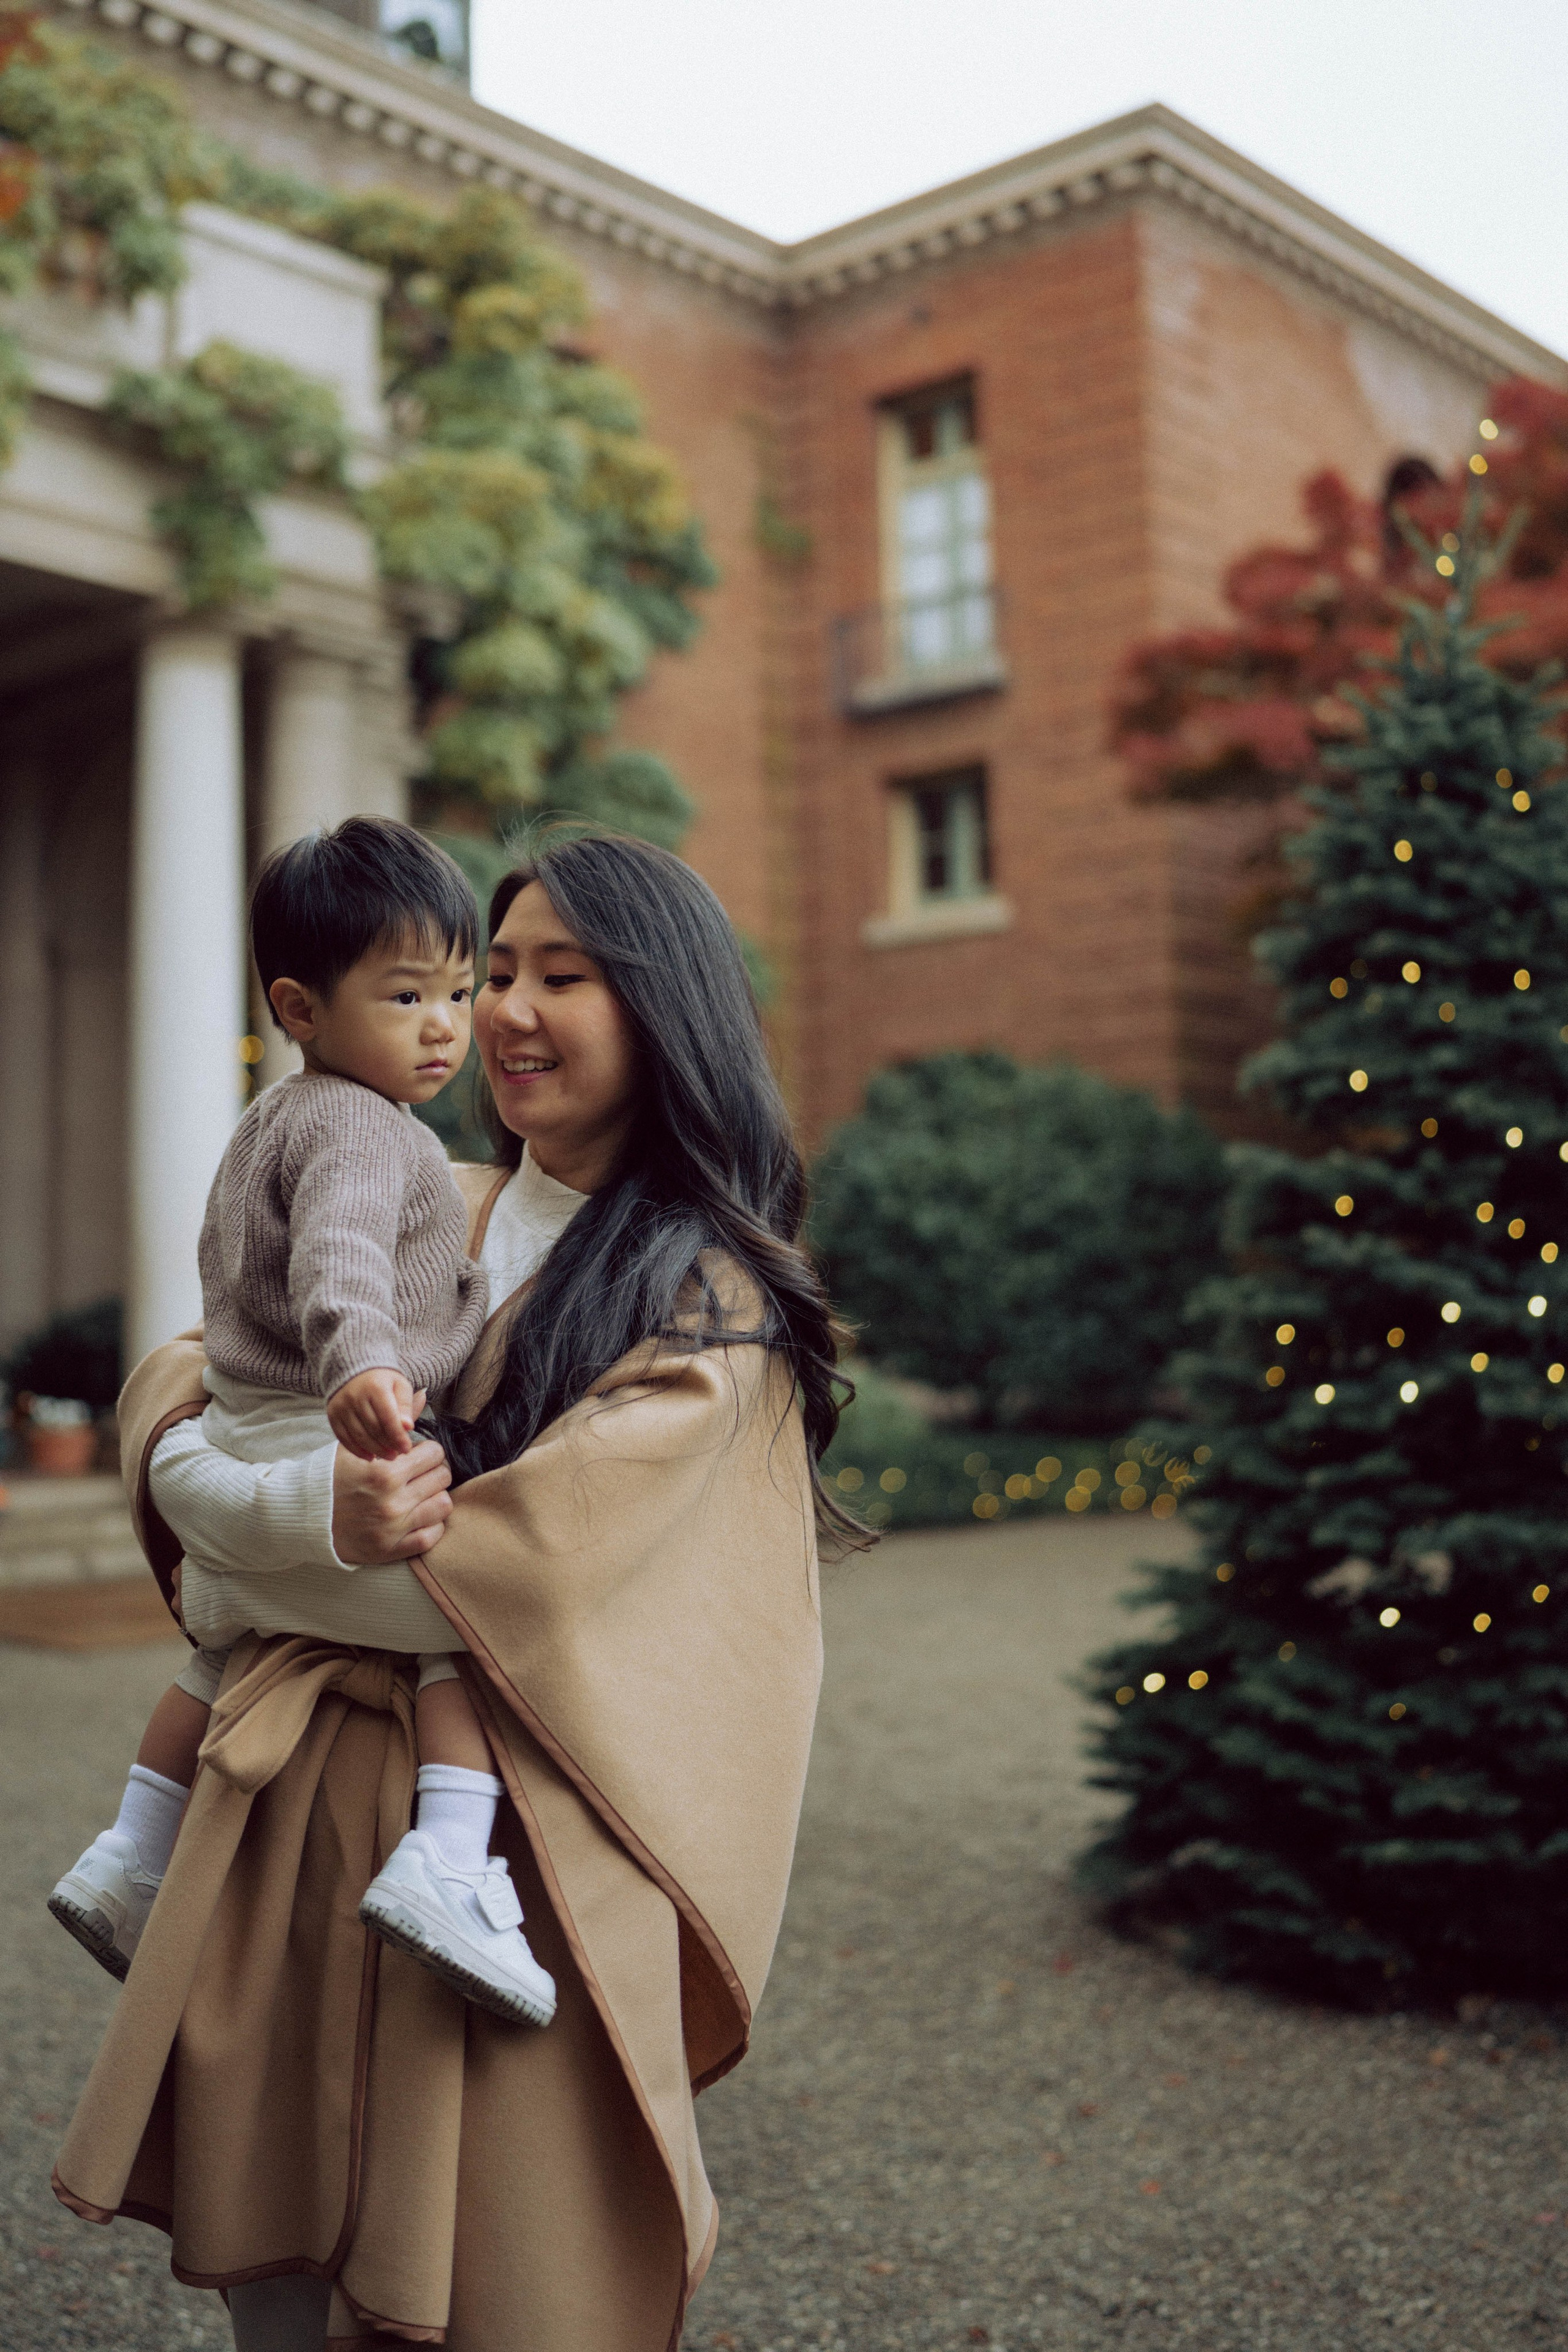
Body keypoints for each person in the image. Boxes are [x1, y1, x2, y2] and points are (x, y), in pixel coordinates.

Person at [53, 829, 859, 2352]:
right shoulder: (434, 1193)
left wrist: (245, 1518)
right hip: (290, 1834)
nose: (503, 1010)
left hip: (495, 1879)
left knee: (476, 2284)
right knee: (281, 2272)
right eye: (493, 971)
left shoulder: (707, 1306)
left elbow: (495, 1584)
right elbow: (189, 1380)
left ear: (667, 1007)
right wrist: (263, 1497)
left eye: (565, 974)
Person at [48, 817, 555, 2027]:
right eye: (405, 994)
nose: (448, 1023)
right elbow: (336, 1263)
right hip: (322, 1443)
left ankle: (129, 1853)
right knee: (467, 1640)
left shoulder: (267, 1120)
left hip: (238, 1442)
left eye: (457, 988)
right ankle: (445, 1862)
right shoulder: (363, 1128)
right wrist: (364, 1367)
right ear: (302, 1006)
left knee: (213, 1658)